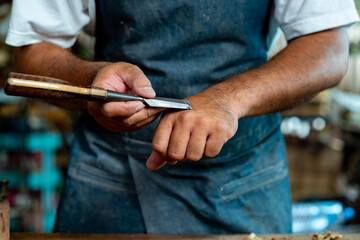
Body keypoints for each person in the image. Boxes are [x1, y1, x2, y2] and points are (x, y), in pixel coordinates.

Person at [6, 0, 359, 234]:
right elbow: (33, 51)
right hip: (111, 176)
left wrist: (229, 100)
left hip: (246, 179)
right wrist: (90, 82)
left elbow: (328, 47)